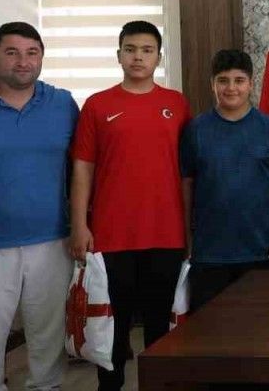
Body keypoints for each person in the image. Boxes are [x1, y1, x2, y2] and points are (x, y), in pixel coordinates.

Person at [0, 22, 79, 391]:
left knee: (49, 334)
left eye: (31, 53)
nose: (23, 62)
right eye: (12, 53)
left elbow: (81, 168)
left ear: (42, 57)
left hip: (52, 239)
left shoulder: (62, 104)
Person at [69, 20, 192, 391]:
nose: (138, 57)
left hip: (166, 233)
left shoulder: (177, 104)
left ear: (158, 57)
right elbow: (83, 168)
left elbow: (187, 174)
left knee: (159, 326)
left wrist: (190, 228)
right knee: (112, 327)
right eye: (131, 49)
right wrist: (79, 224)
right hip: (112, 234)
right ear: (119, 55)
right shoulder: (97, 105)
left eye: (147, 50)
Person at [180, 49, 269, 311]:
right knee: (209, 330)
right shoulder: (196, 130)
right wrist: (186, 236)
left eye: (239, 80)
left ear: (251, 84)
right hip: (209, 254)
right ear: (212, 84)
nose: (231, 88)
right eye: (223, 80)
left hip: (261, 251)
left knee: (261, 329)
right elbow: (186, 185)